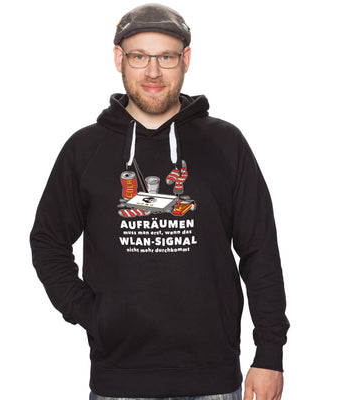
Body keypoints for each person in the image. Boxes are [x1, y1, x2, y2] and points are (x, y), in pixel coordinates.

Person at [30, 3, 289, 400]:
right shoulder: (85, 149)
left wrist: (270, 354)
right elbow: (48, 241)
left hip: (213, 379)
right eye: (139, 56)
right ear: (119, 58)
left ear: (186, 59)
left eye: (166, 57)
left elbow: (260, 251)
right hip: (119, 381)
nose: (152, 71)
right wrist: (92, 313)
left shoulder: (226, 144)